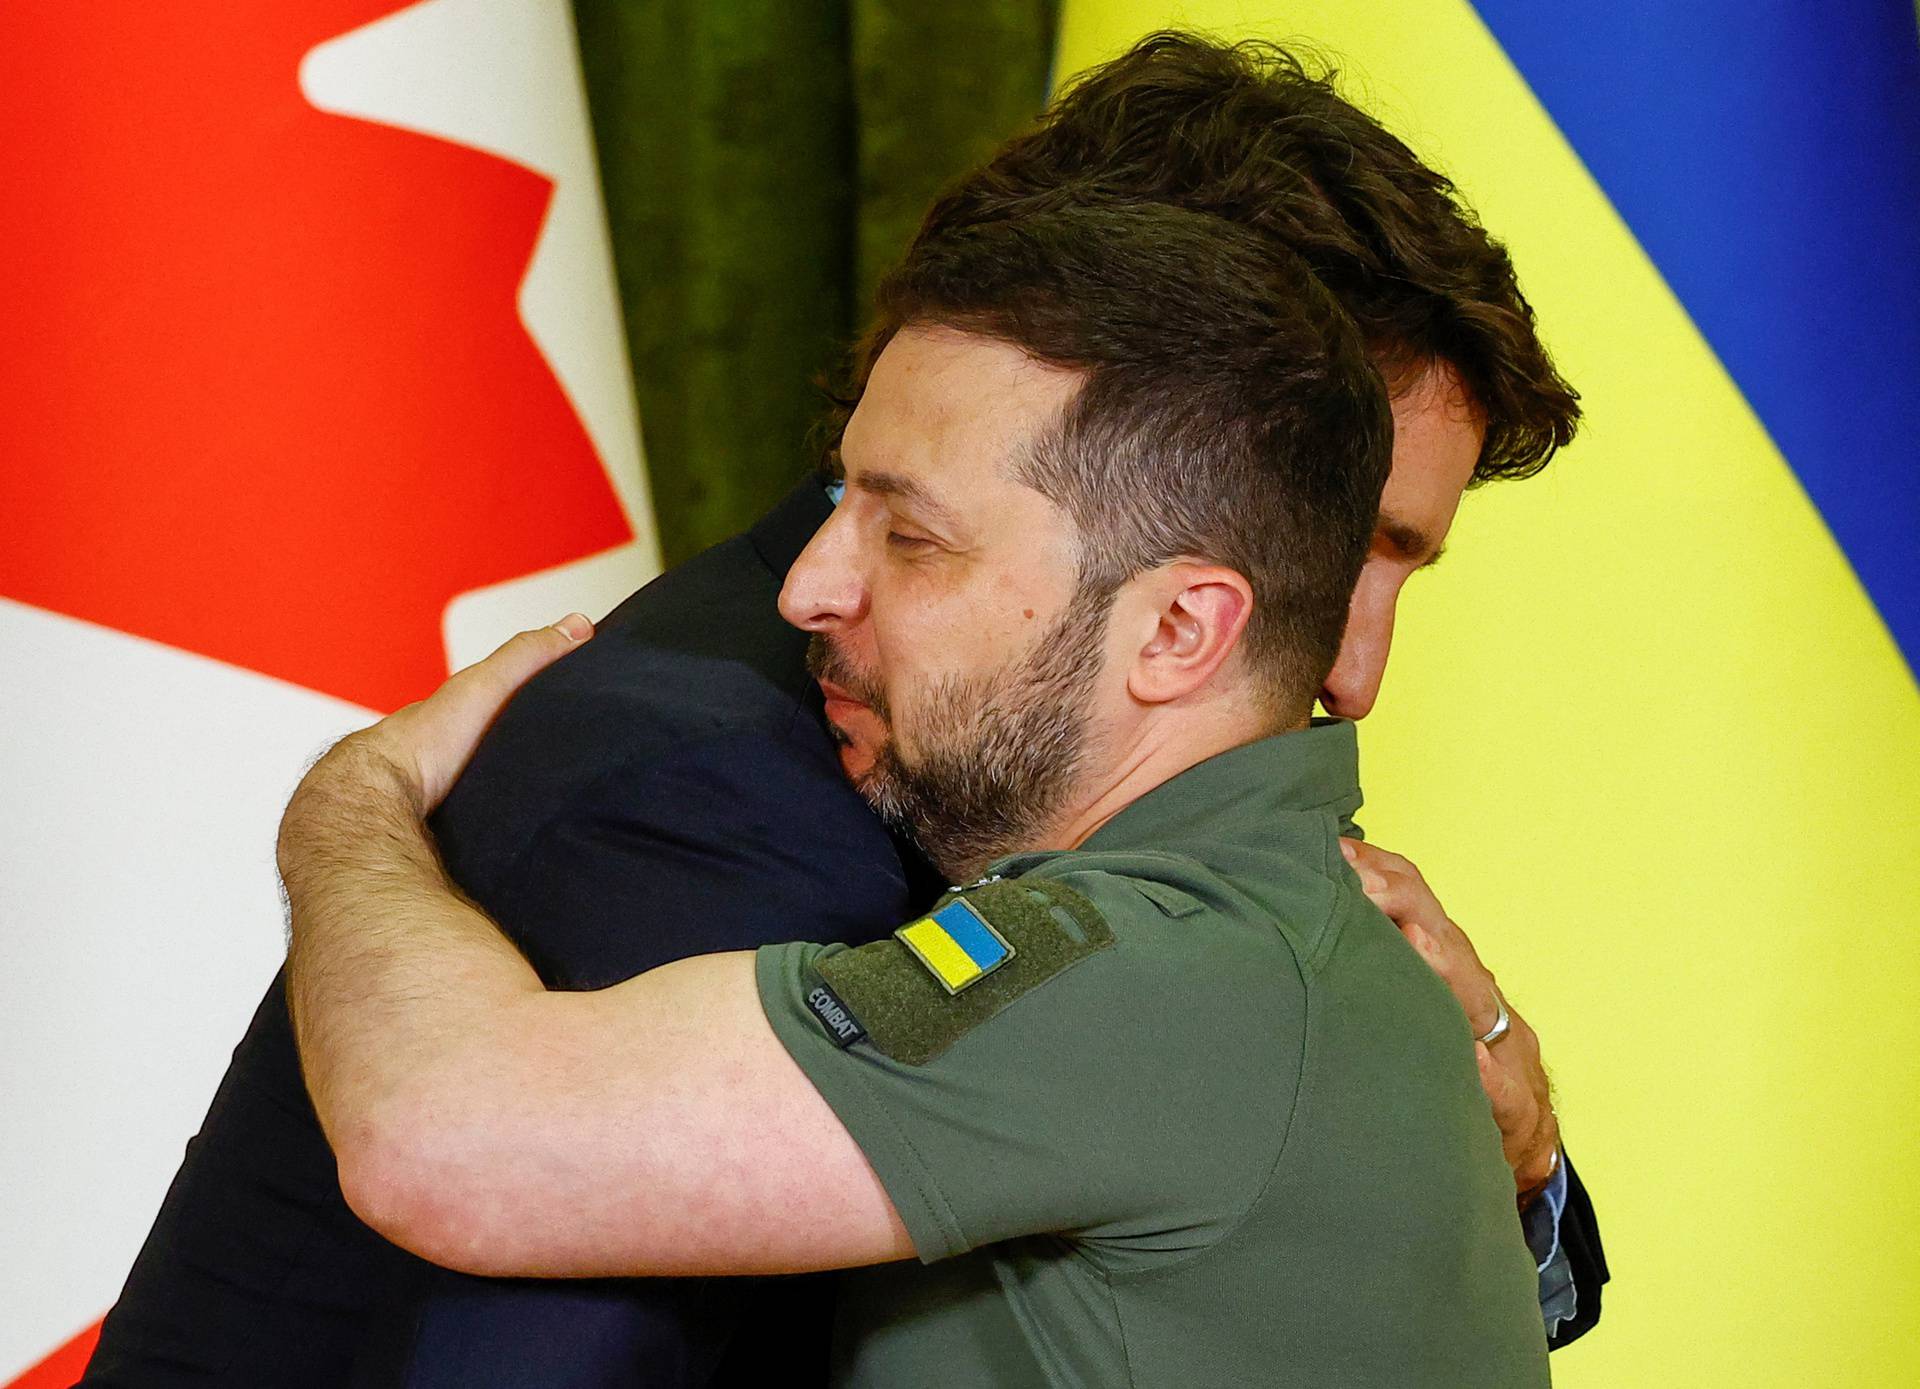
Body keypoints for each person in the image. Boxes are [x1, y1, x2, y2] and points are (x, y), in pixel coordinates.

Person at [82, 32, 1602, 1389]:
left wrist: (1515, 1167)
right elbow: (479, 1189)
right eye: (1338, 539)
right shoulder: (737, 780)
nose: (1354, 671)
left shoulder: (1164, 851)